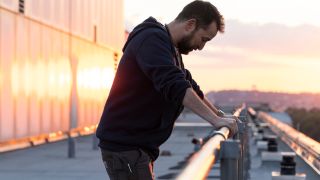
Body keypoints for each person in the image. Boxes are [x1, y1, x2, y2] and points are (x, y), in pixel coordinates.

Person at [96, 1, 239, 179]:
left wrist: (219, 115)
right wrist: (215, 121)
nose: (201, 47)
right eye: (203, 39)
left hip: (137, 147)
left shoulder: (169, 47)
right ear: (190, 24)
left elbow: (189, 84)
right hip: (125, 146)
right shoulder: (151, 40)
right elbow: (176, 85)